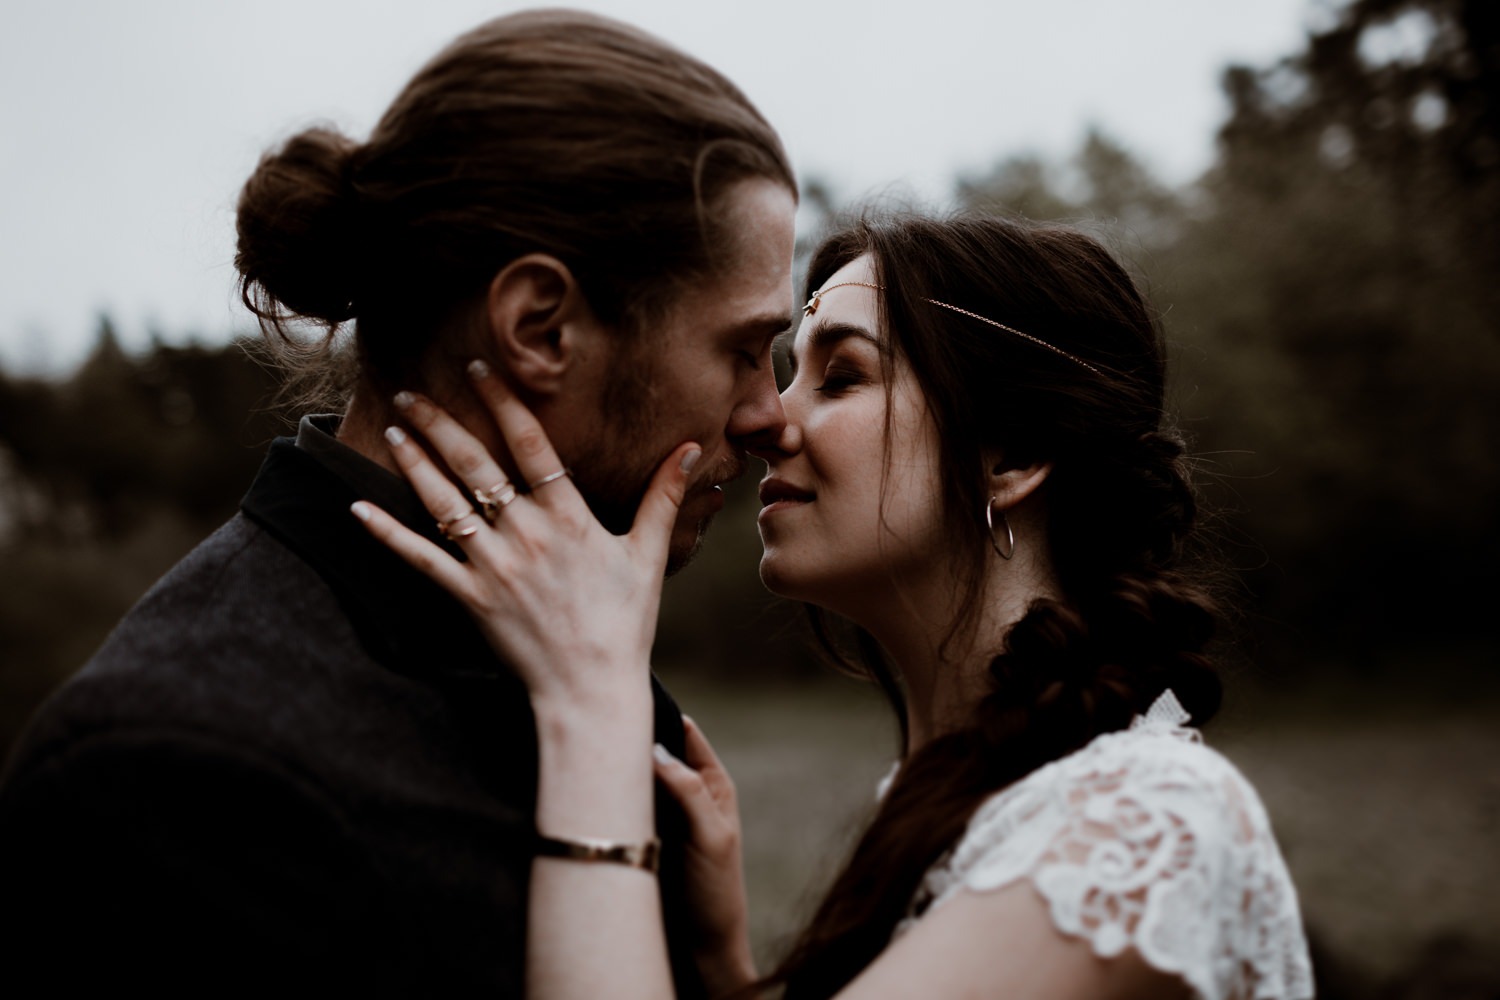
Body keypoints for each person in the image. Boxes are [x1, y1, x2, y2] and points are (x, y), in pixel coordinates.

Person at [0, 10, 794, 996]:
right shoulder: (173, 770)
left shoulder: (578, 644)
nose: (770, 413)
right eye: (742, 350)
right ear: (539, 327)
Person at [359, 213, 1316, 999]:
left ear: (1014, 453)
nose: (772, 420)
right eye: (786, 368)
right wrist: (735, 974)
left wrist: (593, 700)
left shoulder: (1143, 827)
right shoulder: (953, 802)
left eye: (844, 375)